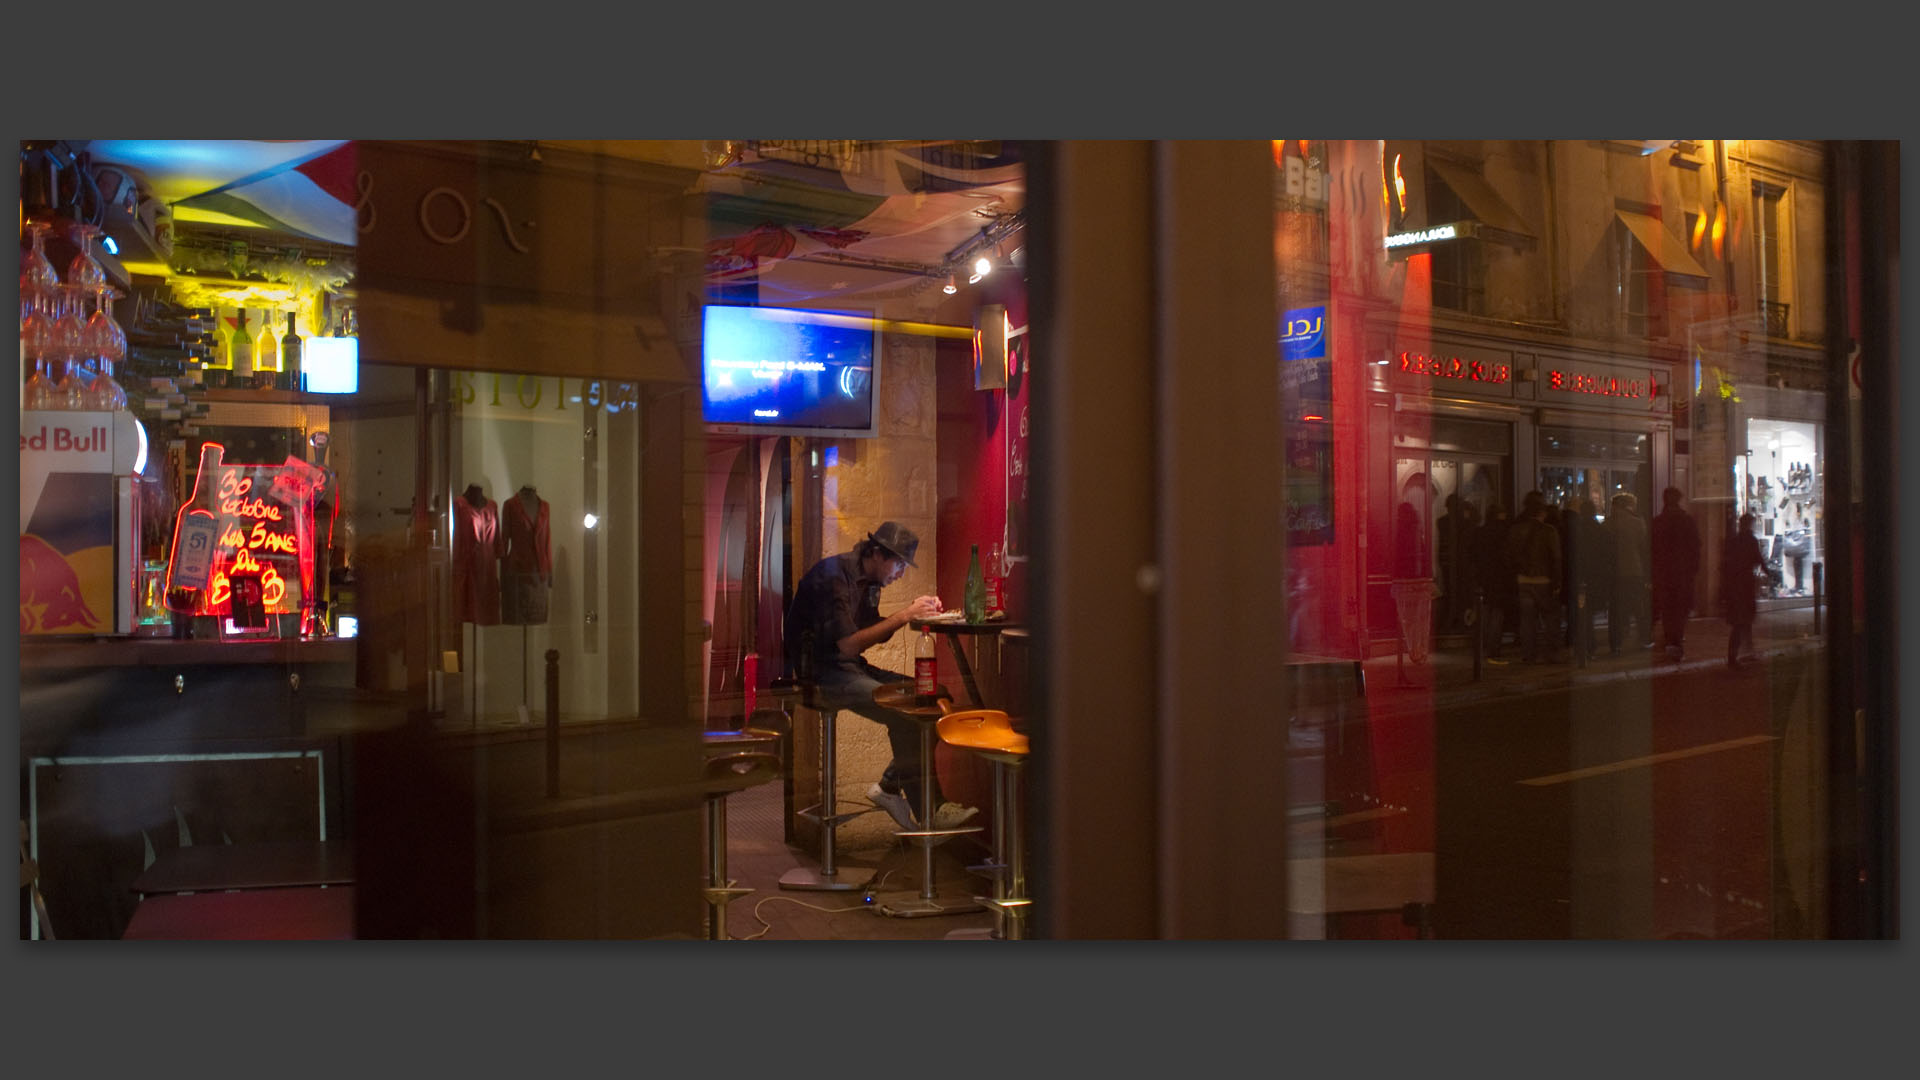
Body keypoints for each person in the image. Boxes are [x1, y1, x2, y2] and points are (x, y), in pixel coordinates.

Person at [783, 522, 977, 831]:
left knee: (936, 696)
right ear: (876, 553)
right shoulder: (834, 577)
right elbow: (847, 646)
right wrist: (904, 615)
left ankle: (889, 787)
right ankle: (932, 811)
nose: (901, 572)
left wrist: (919, 615)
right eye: (899, 562)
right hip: (819, 674)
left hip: (850, 667)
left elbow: (869, 634)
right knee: (905, 713)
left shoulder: (870, 582)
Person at [1505, 491, 1562, 664]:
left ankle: (1528, 654)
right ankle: (1551, 654)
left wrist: (1518, 571)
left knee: (1527, 621)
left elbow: (1508, 556)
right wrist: (1557, 581)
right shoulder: (1549, 531)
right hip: (1543, 581)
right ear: (1542, 513)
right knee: (1550, 618)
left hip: (1523, 581)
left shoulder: (1515, 530)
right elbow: (1556, 558)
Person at [1649, 487, 1702, 661]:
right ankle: (1676, 642)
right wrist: (1693, 569)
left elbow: (1651, 550)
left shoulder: (1658, 522)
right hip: (1682, 575)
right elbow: (1696, 548)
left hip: (1664, 575)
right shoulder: (1687, 521)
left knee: (1668, 610)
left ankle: (1671, 641)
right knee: (1680, 611)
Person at [1563, 497, 1611, 662]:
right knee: (1587, 613)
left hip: (1578, 575)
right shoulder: (1600, 530)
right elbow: (1606, 556)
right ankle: (1589, 647)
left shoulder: (1577, 528)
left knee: (1580, 612)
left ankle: (1580, 646)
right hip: (1594, 577)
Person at [1604, 492, 1651, 654]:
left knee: (1615, 610)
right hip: (1634, 570)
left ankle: (1615, 645)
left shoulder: (1608, 524)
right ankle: (1643, 640)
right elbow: (1643, 549)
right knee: (1639, 607)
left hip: (1614, 572)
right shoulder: (1638, 523)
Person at [1721, 511, 1765, 668]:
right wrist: (1768, 572)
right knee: (1742, 622)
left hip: (1735, 585)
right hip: (1744, 585)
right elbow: (1758, 558)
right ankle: (1735, 656)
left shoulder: (1733, 540)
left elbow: (1725, 564)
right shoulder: (1750, 540)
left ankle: (1743, 652)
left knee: (1741, 622)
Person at [1475, 503, 1515, 662]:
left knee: (1484, 612)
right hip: (1500, 578)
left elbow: (1473, 555)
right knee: (1497, 614)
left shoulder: (1480, 532)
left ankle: (1482, 645)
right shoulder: (1505, 532)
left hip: (1484, 577)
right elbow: (1509, 556)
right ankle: (1493, 648)